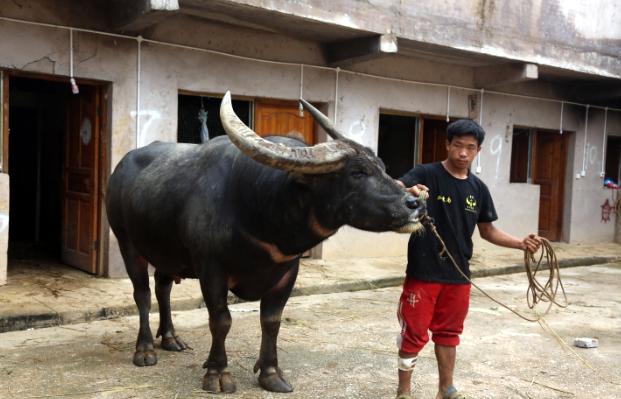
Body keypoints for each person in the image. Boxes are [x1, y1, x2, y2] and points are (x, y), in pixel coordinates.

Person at [394, 119, 541, 399]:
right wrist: (407, 191)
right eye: (458, 145)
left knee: (449, 333)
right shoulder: (426, 173)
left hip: (458, 276)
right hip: (423, 273)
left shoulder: (478, 188)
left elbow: (488, 231)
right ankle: (404, 392)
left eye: (470, 148)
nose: (463, 153)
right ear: (447, 144)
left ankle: (446, 389)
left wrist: (520, 244)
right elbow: (391, 185)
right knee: (414, 332)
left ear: (478, 151)